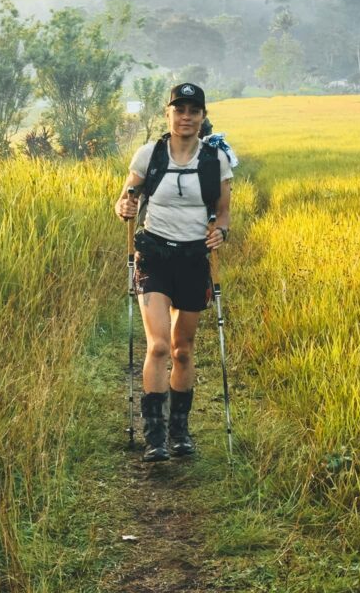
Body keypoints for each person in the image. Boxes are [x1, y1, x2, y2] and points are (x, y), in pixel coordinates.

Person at [114, 82, 233, 461]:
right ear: (167, 114)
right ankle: (155, 438)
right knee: (160, 346)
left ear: (203, 117)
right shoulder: (149, 154)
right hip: (154, 256)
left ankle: (179, 432)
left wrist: (221, 232)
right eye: (179, 110)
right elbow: (126, 199)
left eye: (193, 111)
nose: (186, 117)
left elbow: (223, 212)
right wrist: (124, 208)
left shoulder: (215, 160)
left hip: (194, 259)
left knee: (182, 350)